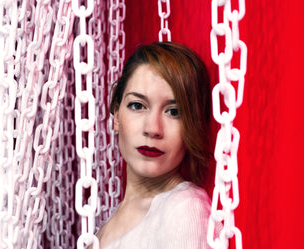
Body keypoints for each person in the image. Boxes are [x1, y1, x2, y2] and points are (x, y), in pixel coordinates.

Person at [94, 42, 221, 249]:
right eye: (137, 106)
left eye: (174, 112)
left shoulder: (185, 210)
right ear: (116, 114)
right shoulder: (110, 221)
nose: (153, 129)